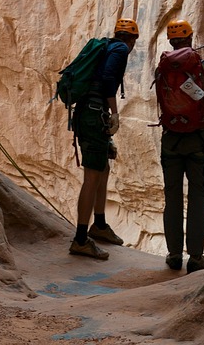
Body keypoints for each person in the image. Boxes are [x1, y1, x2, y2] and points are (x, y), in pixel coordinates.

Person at [69, 17, 138, 259]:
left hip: (88, 112)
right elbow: (109, 80)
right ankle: (80, 239)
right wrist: (115, 114)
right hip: (94, 113)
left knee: (103, 167)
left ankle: (99, 225)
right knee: (92, 175)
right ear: (132, 40)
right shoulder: (120, 49)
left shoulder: (107, 46)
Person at [155, 20, 204, 274]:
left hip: (171, 139)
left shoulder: (161, 69)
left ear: (171, 41)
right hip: (198, 140)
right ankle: (195, 257)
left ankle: (173, 255)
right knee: (197, 197)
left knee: (172, 196)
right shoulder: (203, 68)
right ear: (190, 39)